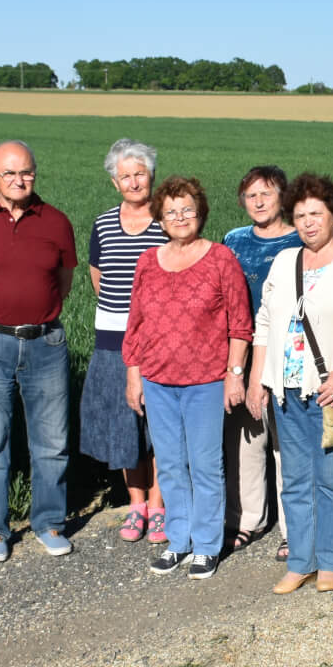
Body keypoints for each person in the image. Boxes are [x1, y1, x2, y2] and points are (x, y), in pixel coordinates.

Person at [0, 139, 77, 563]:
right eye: (9, 173)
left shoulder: (56, 221)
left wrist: (34, 314)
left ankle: (50, 522)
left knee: (52, 441)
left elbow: (63, 282)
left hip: (46, 342)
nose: (19, 180)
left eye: (26, 172)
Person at [124, 176, 253, 580]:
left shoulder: (220, 259)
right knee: (170, 465)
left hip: (206, 381)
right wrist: (134, 377)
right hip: (157, 380)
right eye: (171, 212)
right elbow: (136, 325)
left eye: (187, 210)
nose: (180, 218)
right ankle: (178, 541)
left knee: (205, 465)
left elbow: (240, 325)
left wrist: (235, 375)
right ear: (161, 219)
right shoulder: (148, 261)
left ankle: (207, 545)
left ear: (200, 214)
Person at [248, 173, 333, 594]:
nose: (308, 222)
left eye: (316, 214)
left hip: (330, 391)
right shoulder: (285, 261)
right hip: (286, 391)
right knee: (296, 480)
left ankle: (332, 561)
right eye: (300, 216)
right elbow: (265, 321)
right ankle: (301, 560)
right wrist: (257, 379)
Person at [77, 139, 169, 542]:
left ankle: (159, 505)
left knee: (161, 424)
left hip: (162, 340)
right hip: (113, 339)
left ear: (152, 176)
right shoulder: (102, 224)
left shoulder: (168, 222)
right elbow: (99, 278)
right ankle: (136, 504)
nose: (133, 182)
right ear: (115, 183)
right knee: (123, 423)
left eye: (140, 174)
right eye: (125, 176)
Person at [222, 166, 301, 552]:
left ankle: (293, 528)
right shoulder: (233, 240)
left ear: (282, 197)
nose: (258, 201)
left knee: (287, 445)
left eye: (266, 194)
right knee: (245, 441)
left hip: (289, 352)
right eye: (250, 195)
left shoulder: (300, 238)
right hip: (240, 350)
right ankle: (247, 519)